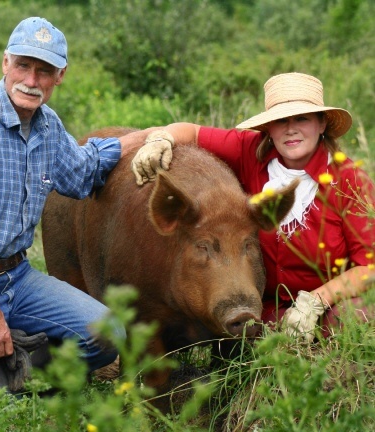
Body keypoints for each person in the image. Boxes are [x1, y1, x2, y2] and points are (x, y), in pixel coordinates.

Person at [0, 17, 152, 378]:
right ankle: (12, 371)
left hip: (17, 277)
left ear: (60, 75)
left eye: (44, 70)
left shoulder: (47, 125)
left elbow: (84, 170)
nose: (31, 80)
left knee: (108, 334)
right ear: (6, 62)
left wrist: (153, 136)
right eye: (23, 65)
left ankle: (21, 366)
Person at [131, 72, 375, 341]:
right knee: (242, 342)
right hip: (261, 306)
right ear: (269, 128)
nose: (290, 128)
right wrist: (160, 139)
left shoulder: (350, 180)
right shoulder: (250, 151)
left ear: (321, 124)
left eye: (302, 119)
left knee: (356, 314)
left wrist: (316, 301)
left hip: (326, 306)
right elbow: (191, 131)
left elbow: (369, 266)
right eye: (281, 120)